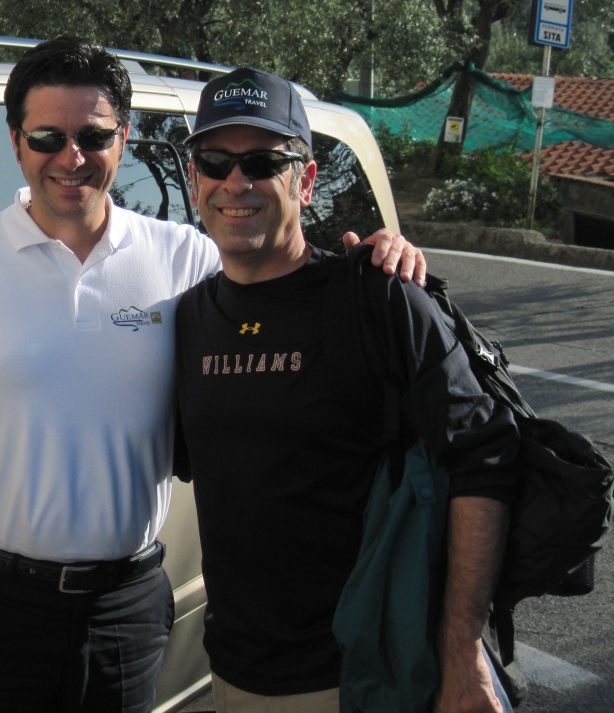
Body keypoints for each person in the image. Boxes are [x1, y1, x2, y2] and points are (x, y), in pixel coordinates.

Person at [0, 38, 425, 713]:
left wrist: (374, 258)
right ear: (16, 142)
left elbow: (282, 278)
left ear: (124, 139)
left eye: (93, 136)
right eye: (47, 138)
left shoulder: (186, 257)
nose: (71, 157)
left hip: (126, 609)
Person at [173, 66, 521, 713]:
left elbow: (487, 458)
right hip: (234, 676)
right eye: (216, 162)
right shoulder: (189, 318)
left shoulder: (380, 299)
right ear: (196, 182)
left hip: (365, 676)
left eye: (263, 162)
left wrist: (461, 650)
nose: (236, 182)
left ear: (305, 181)